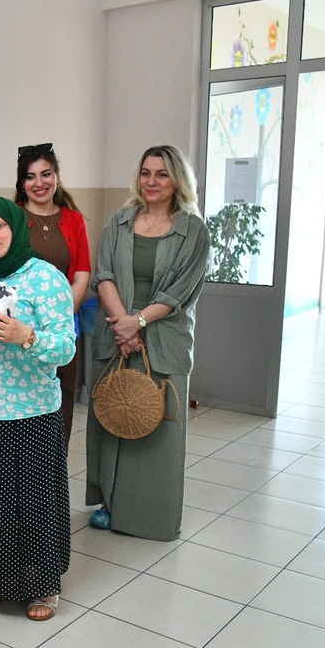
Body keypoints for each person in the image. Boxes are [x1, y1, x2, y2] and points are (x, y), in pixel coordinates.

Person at [0, 197, 75, 622]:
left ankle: (43, 585)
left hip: (30, 411)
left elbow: (66, 347)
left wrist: (28, 336)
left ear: (16, 227)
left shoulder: (46, 278)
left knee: (32, 503)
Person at [85, 145, 209, 542]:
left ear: (177, 181)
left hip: (163, 338)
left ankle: (152, 515)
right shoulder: (119, 221)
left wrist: (137, 322)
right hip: (115, 334)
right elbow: (103, 275)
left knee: (159, 426)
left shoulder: (193, 230)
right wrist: (124, 325)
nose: (152, 182)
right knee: (114, 417)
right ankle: (110, 503)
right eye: (146, 173)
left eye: (162, 174)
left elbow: (181, 290)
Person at [15, 143, 92, 445]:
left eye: (46, 174)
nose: (39, 183)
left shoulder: (74, 219)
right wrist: (31, 328)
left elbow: (82, 274)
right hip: (21, 330)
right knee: (26, 401)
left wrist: (58, 319)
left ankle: (55, 463)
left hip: (62, 329)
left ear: (56, 176)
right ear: (22, 183)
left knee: (62, 398)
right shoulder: (13, 218)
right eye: (30, 176)